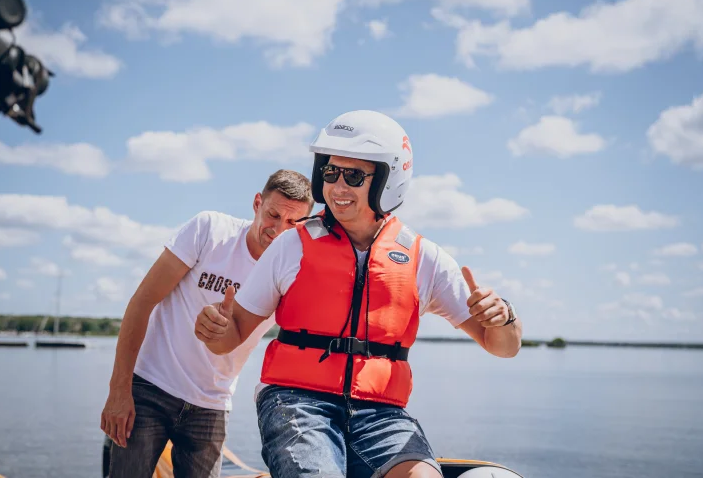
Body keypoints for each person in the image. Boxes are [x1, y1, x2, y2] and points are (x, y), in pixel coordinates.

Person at [195, 110, 523, 478]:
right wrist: (216, 330)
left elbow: (503, 347)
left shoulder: (423, 258)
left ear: (388, 179)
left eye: (353, 176)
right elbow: (231, 336)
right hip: (296, 403)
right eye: (330, 173)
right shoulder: (291, 246)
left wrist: (503, 316)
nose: (338, 187)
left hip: (381, 413)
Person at [101, 169, 314, 478]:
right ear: (257, 203)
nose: (279, 229)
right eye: (273, 214)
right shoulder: (209, 230)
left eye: (292, 223)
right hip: (150, 389)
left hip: (212, 404)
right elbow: (141, 302)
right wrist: (118, 391)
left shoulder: (292, 271)